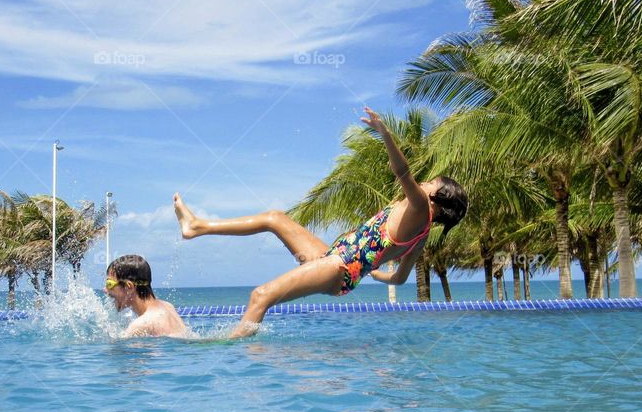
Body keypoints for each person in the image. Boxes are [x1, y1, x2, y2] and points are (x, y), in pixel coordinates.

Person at [173, 107, 468, 339]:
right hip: (336, 261)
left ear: (437, 199)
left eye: (432, 183)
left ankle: (232, 350)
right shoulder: (422, 233)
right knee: (274, 218)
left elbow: (402, 171)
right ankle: (196, 226)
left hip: (338, 268)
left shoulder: (419, 209)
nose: (425, 182)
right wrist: (372, 272)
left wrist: (385, 133)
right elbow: (401, 278)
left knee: (260, 296)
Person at [105, 254, 190, 338]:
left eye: (109, 284)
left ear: (129, 287)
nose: (105, 290)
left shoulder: (141, 325)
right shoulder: (168, 306)